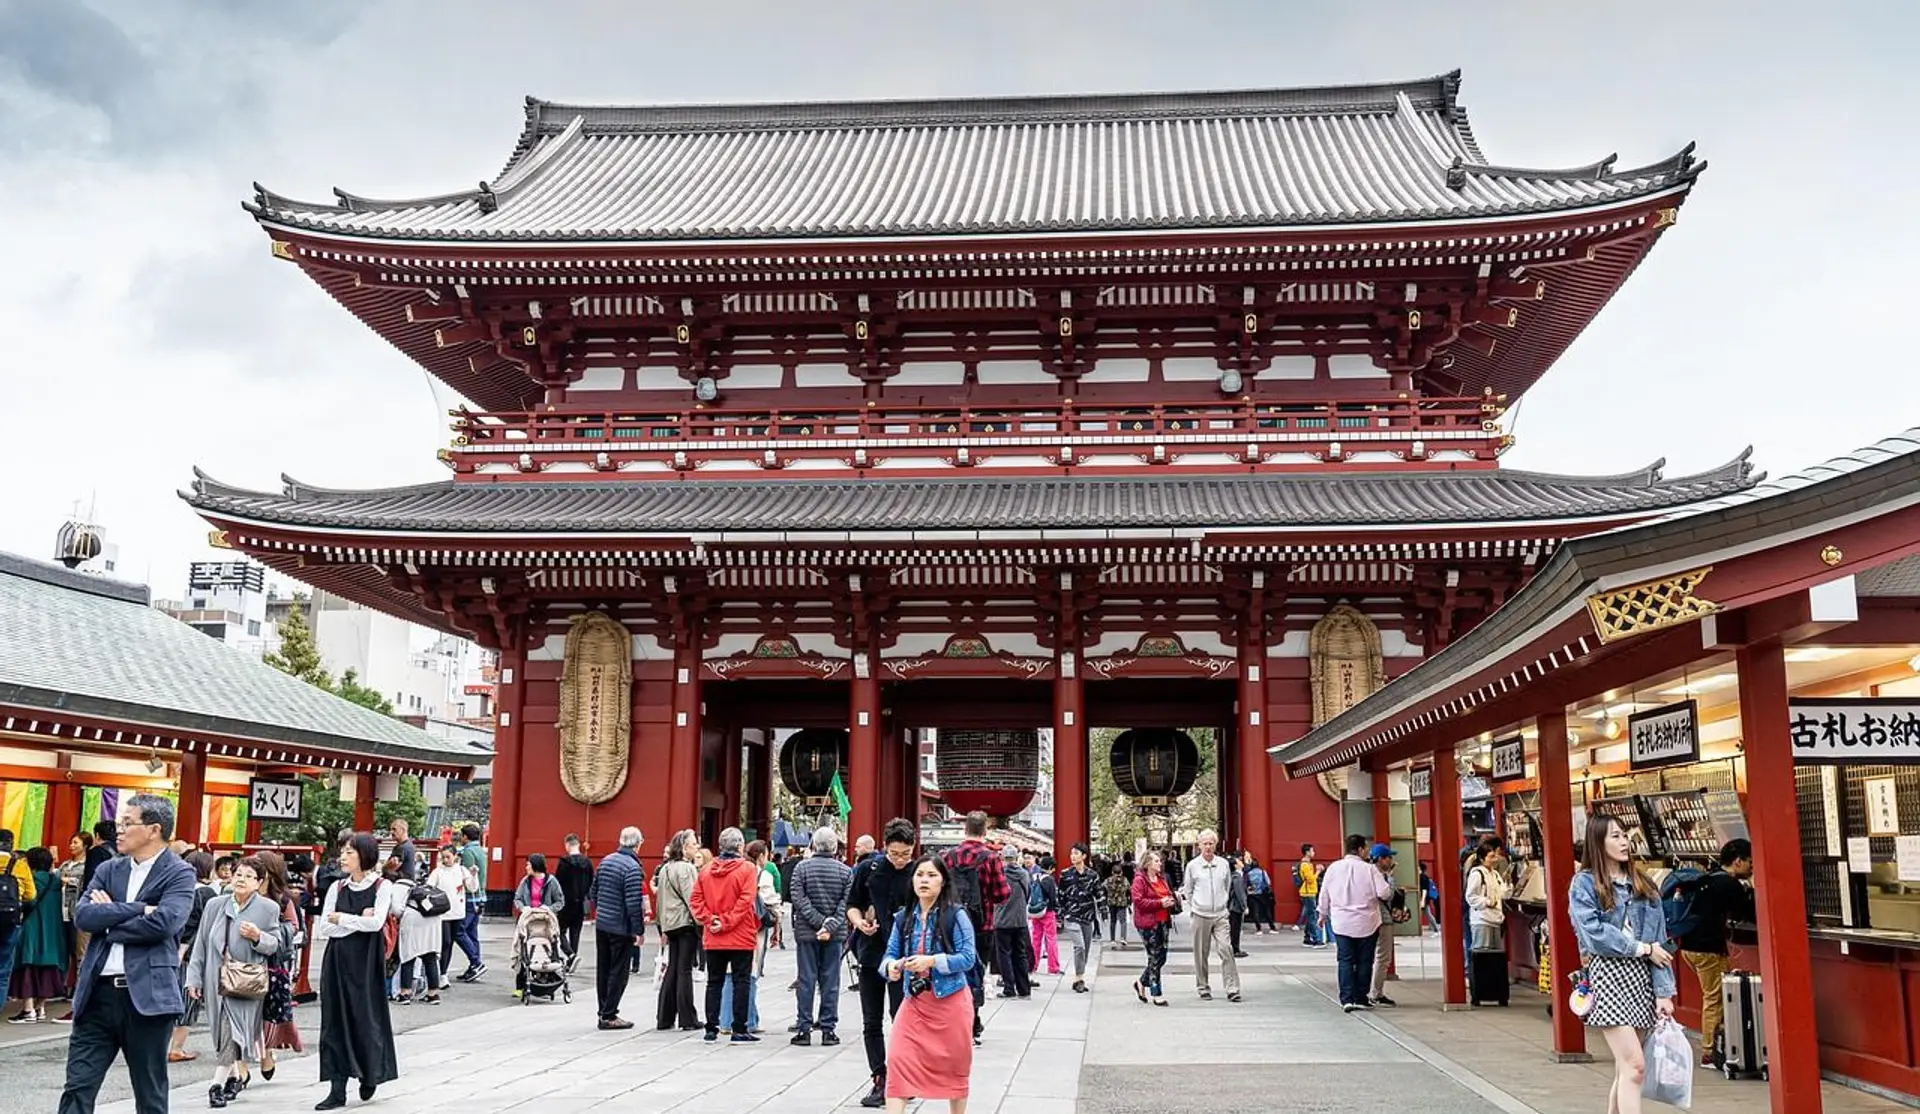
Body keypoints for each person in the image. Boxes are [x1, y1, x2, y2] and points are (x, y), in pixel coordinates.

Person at [60, 794, 198, 1114]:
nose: (118, 830)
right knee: (78, 1087)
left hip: (147, 998)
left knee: (149, 1092)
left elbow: (165, 923)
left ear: (153, 829)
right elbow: (84, 917)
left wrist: (109, 920)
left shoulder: (179, 873)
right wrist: (138, 909)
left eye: (126, 823)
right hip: (97, 994)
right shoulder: (109, 868)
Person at [1570, 812, 1675, 1114]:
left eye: (1624, 834)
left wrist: (1664, 992)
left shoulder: (1643, 884)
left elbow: (1661, 942)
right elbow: (1595, 936)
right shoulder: (1584, 884)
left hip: (1642, 979)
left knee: (1626, 1068)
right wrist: (1642, 948)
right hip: (1608, 977)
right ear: (1598, 842)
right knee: (1635, 1066)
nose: (1623, 841)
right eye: (1614, 836)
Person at [185, 856, 291, 1108]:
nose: (241, 879)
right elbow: (200, 944)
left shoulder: (268, 909)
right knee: (221, 1033)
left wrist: (257, 936)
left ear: (259, 882)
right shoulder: (215, 905)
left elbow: (275, 944)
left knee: (233, 1030)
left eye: (248, 876)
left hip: (245, 982)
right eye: (238, 874)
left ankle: (216, 1084)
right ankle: (234, 1076)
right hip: (214, 979)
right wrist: (193, 977)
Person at [881, 855, 979, 1113]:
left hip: (951, 1003)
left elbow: (968, 958)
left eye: (932, 875)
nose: (924, 880)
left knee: (956, 1068)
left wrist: (932, 961)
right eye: (919, 874)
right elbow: (889, 955)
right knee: (898, 1061)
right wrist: (891, 967)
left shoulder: (956, 916)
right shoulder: (903, 918)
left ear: (944, 881)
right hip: (914, 1004)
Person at [313, 833, 398, 1110]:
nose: (343, 857)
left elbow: (375, 924)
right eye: (344, 852)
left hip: (366, 964)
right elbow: (325, 927)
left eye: (350, 852)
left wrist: (345, 919)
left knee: (366, 1019)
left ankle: (369, 1074)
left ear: (365, 855)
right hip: (337, 960)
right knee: (334, 1021)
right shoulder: (337, 887)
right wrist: (358, 919)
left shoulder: (383, 886)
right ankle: (336, 1088)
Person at [848, 818, 916, 1107]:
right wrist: (860, 923)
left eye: (906, 854)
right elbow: (852, 905)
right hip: (872, 953)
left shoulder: (920, 872)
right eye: (895, 853)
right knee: (871, 1021)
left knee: (901, 1020)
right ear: (885, 846)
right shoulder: (868, 868)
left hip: (906, 957)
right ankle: (880, 1078)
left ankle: (903, 1078)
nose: (900, 860)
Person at [1676, 838, 1755, 1067]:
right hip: (1707, 949)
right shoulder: (1730, 885)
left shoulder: (1708, 879)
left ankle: (1718, 1044)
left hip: (1688, 947)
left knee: (1712, 996)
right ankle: (1710, 1052)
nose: (1752, 867)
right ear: (1738, 861)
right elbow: (1749, 912)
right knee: (1715, 998)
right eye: (1750, 862)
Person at [940, 811, 1008, 1045]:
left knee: (953, 968)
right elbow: (1002, 894)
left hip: (951, 923)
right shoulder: (991, 858)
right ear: (985, 830)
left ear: (965, 829)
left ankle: (953, 1017)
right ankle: (972, 1018)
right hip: (982, 924)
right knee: (976, 971)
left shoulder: (947, 856)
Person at [689, 827, 759, 1043]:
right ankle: (739, 1028)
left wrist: (711, 920)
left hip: (714, 935)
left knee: (714, 982)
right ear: (739, 846)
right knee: (741, 981)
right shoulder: (747, 869)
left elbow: (695, 900)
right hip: (740, 934)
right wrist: (727, 921)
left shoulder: (706, 871)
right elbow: (746, 901)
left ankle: (711, 1028)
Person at [790, 826, 853, 1045]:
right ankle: (828, 1029)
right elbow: (846, 903)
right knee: (831, 981)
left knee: (806, 980)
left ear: (813, 845)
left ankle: (804, 1029)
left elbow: (798, 899)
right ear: (835, 847)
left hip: (807, 933)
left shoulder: (801, 868)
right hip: (835, 935)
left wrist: (818, 923)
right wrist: (830, 925)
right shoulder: (846, 871)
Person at [1318, 834, 1392, 1012]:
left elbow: (1324, 894)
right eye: (1366, 848)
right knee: (1365, 961)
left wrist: (1323, 913)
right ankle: (1360, 997)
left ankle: (1346, 998)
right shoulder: (1369, 869)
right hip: (1367, 922)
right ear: (1360, 849)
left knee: (1345, 960)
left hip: (1342, 922)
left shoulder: (1333, 868)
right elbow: (1384, 893)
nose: (1367, 851)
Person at [591, 826, 647, 1031]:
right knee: (619, 971)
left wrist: (601, 910)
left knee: (603, 969)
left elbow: (594, 892)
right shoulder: (632, 868)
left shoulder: (605, 861)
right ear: (638, 844)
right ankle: (609, 1014)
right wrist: (638, 930)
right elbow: (633, 903)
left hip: (603, 923)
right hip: (620, 926)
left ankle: (603, 1010)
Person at [254, 851, 306, 1073]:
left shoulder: (283, 899)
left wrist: (268, 933)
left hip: (273, 963)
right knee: (242, 1012)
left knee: (267, 1011)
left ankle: (266, 1052)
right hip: (242, 962)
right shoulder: (240, 894)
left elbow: (293, 927)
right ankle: (240, 1065)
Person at [165, 852, 219, 1062]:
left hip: (167, 948)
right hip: (189, 952)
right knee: (188, 998)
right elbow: (210, 926)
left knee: (168, 997)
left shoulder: (176, 890)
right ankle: (176, 1048)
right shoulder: (206, 893)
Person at [719, 839, 776, 1037]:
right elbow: (770, 901)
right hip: (752, 929)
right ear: (761, 856)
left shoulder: (722, 870)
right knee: (748, 975)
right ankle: (747, 1020)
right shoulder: (761, 874)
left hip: (726, 925)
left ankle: (725, 1020)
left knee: (728, 974)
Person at [7, 846, 65, 1023]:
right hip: (53, 929)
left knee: (28, 967)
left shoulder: (30, 879)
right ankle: (40, 1008)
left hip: (33, 927)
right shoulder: (56, 880)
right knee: (48, 970)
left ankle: (28, 1009)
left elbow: (28, 901)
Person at [1181, 831, 1241, 1002]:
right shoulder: (1192, 866)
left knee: (1226, 949)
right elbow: (1188, 889)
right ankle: (1203, 987)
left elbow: (1227, 885)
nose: (1208, 847)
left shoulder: (1223, 864)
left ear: (1215, 845)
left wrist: (1223, 903)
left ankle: (1232, 988)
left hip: (1220, 914)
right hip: (1201, 914)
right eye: (1204, 843)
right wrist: (1195, 906)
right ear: (1199, 845)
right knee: (1201, 953)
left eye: (1211, 843)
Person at [653, 830, 703, 1032]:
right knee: (684, 970)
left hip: (670, 923)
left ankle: (664, 1016)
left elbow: (661, 901)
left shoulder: (666, 868)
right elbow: (692, 898)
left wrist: (662, 926)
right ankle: (687, 1017)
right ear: (684, 847)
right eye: (693, 844)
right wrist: (701, 920)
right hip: (685, 922)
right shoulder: (686, 869)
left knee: (673, 968)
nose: (696, 847)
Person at [391, 858, 448, 1006]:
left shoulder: (397, 886)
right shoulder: (421, 884)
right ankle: (433, 994)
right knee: (430, 957)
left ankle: (405, 993)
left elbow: (397, 910)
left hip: (413, 920)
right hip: (432, 920)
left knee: (408, 956)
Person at [0, 828, 40, 1006]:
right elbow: (31, 896)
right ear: (11, 844)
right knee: (3, 968)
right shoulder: (20, 865)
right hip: (10, 920)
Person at [1130, 849, 1175, 1007]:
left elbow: (1166, 893)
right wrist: (1159, 903)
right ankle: (1156, 993)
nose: (1160, 863)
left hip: (1163, 921)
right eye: (1156, 861)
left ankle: (1142, 982)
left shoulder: (1161, 879)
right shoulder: (1139, 880)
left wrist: (1171, 899)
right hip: (1148, 923)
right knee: (1154, 957)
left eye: (1160, 861)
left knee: (1162, 956)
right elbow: (1138, 901)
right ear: (1148, 863)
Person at [1055, 843, 1100, 994]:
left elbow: (1098, 894)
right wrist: (1059, 915)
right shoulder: (1065, 874)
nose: (1072, 856)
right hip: (1071, 915)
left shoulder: (1092, 875)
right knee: (1079, 946)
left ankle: (1078, 976)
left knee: (1086, 948)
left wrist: (1103, 910)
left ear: (1084, 856)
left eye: (1076, 853)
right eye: (1071, 853)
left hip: (1087, 916)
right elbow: (1060, 895)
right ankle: (1079, 978)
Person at [1366, 843, 1407, 1008]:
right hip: (1383, 919)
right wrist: (1390, 878)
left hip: (1368, 919)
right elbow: (1387, 895)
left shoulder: (1365, 873)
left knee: (1369, 956)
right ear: (1381, 859)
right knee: (1383, 957)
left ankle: (1369, 991)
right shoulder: (1380, 875)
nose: (1391, 860)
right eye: (1389, 857)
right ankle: (1376, 993)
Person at [423, 847, 471, 986]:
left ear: (455, 856)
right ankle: (442, 973)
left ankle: (443, 972)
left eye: (448, 857)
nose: (445, 860)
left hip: (457, 911)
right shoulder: (437, 872)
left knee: (449, 944)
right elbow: (429, 888)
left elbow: (472, 887)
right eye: (443, 857)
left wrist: (472, 876)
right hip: (442, 913)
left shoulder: (462, 871)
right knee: (446, 942)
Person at [992, 847, 1032, 1000]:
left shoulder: (999, 875)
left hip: (1002, 921)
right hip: (1020, 920)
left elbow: (993, 895)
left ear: (1003, 858)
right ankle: (1024, 988)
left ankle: (1009, 988)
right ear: (1017, 858)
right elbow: (1028, 893)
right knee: (1020, 954)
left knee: (1004, 955)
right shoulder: (1024, 874)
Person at [450, 824, 487, 982]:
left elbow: (465, 876)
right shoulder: (480, 850)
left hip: (469, 897)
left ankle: (476, 962)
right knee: (472, 933)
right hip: (480, 896)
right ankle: (474, 966)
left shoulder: (467, 852)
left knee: (459, 931)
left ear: (465, 836)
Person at [1465, 841, 1512, 955]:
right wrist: (1487, 902)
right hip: (1482, 920)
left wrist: (1508, 886)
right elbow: (1470, 896)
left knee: (1494, 955)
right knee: (1482, 953)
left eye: (1494, 856)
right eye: (1491, 857)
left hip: (1495, 919)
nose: (1494, 859)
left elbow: (1502, 894)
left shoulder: (1495, 874)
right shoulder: (1477, 874)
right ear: (1482, 858)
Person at [553, 834, 595, 960]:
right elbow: (591, 882)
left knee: (558, 931)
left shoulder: (564, 863)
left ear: (567, 845)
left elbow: (557, 884)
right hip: (581, 903)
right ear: (578, 844)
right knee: (575, 933)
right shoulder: (587, 863)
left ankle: (569, 953)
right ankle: (573, 957)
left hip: (565, 903)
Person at [1026, 853, 1061, 977]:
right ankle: (1053, 968)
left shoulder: (1034, 876)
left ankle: (1033, 966)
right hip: (1047, 912)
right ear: (1051, 867)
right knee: (1051, 939)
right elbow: (1052, 898)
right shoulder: (1049, 879)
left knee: (1036, 940)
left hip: (1035, 913)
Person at [1295, 843, 1324, 947]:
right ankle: (1316, 940)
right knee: (1312, 916)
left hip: (1308, 892)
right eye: (1312, 851)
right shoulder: (1305, 865)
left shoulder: (1307, 864)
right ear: (1307, 852)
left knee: (1309, 915)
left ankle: (1307, 938)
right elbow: (1310, 879)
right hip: (1308, 892)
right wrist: (1318, 872)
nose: (1313, 853)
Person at [1102, 862, 1132, 948]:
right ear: (1121, 872)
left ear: (1112, 872)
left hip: (1111, 902)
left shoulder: (1108, 880)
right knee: (1123, 921)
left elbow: (1103, 889)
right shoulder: (1125, 880)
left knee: (1113, 921)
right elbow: (1129, 891)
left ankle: (1112, 939)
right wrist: (1129, 902)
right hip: (1122, 902)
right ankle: (1123, 938)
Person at [1227, 854, 1250, 958]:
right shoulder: (1237, 877)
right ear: (1235, 865)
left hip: (1231, 906)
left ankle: (1234, 948)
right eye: (1239, 861)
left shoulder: (1231, 876)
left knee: (1233, 928)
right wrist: (1244, 906)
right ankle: (1235, 949)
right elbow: (1239, 893)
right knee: (1235, 929)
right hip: (1235, 906)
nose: (1241, 862)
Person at [1244, 857, 1275, 935]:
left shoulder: (1249, 873)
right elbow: (1268, 882)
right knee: (1267, 910)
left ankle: (1259, 929)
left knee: (1255, 912)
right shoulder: (1262, 872)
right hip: (1263, 894)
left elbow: (1245, 884)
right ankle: (1272, 927)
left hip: (1253, 894)